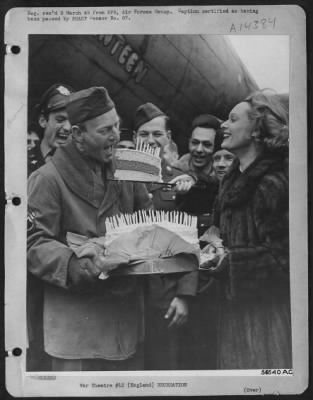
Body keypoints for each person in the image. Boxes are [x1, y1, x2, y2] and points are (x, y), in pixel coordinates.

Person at [27, 87, 152, 371]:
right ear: (78, 134)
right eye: (105, 130)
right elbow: (33, 242)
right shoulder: (46, 179)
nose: (116, 135)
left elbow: (147, 218)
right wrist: (78, 263)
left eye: (117, 125)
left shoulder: (129, 167)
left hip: (124, 322)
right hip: (76, 334)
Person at [203, 90, 291, 369]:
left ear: (255, 129)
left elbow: (286, 259)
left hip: (266, 321)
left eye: (232, 119)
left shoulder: (273, 184)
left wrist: (230, 262)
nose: (223, 126)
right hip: (234, 313)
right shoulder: (231, 182)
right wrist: (212, 242)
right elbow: (222, 234)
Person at [133, 102, 198, 370]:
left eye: (157, 134)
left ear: (168, 138)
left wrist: (185, 294)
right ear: (135, 138)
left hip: (165, 294)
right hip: (125, 294)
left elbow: (191, 241)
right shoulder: (118, 177)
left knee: (164, 368)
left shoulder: (180, 182)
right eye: (144, 134)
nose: (150, 140)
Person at [27, 83, 74, 177]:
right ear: (43, 121)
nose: (67, 127)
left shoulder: (80, 166)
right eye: (60, 120)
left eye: (73, 121)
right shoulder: (22, 161)